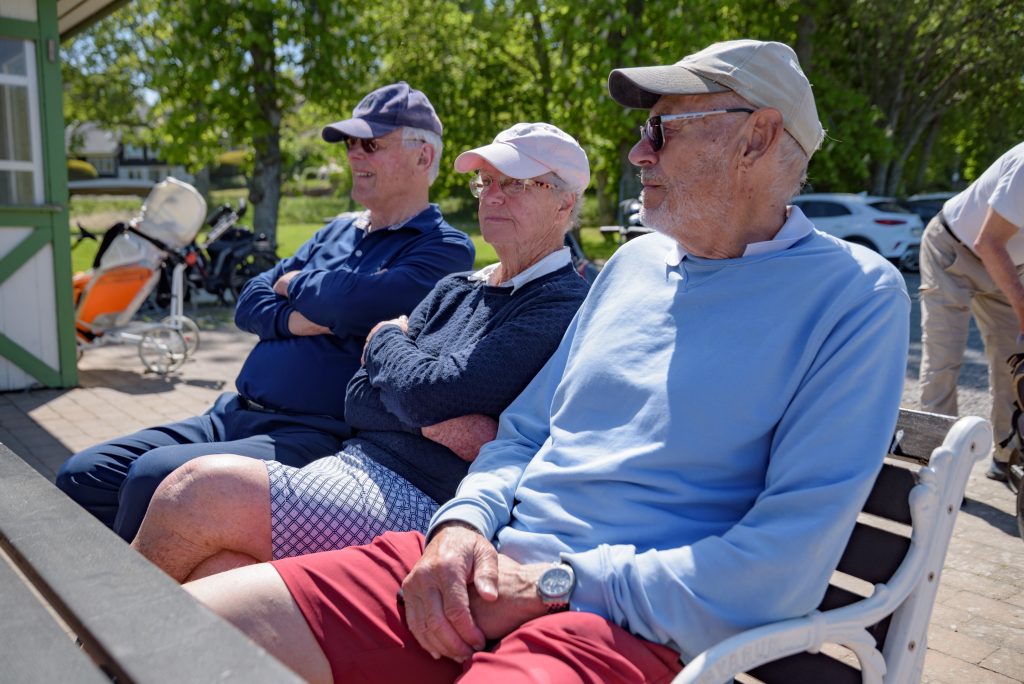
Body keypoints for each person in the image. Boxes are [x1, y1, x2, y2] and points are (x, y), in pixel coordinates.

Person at [185, 40, 910, 684]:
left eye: (662, 129)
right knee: (187, 633)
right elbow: (526, 434)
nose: (639, 153)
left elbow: (782, 566)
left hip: (618, 623)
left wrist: (553, 585)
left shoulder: (855, 295)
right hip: (478, 567)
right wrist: (462, 525)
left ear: (758, 137)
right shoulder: (632, 267)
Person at [131, 123, 591, 582]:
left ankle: (107, 626)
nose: (491, 196)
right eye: (486, 182)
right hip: (351, 466)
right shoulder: (457, 287)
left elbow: (429, 392)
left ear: (564, 202)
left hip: (424, 503)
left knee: (197, 491)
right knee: (218, 569)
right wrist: (434, 418)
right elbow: (355, 397)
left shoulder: (559, 303)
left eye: (514, 184)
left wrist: (385, 339)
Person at [56, 82, 476, 541]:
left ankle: (136, 584)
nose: (354, 154)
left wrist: (294, 284)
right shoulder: (335, 230)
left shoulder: (445, 248)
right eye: (350, 144)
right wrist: (295, 319)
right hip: (231, 413)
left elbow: (349, 302)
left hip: (313, 434)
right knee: (82, 474)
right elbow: (249, 299)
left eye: (371, 144)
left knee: (152, 477)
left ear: (423, 157)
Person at [918, 142, 1024, 482]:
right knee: (943, 361)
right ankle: (938, 472)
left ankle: (1008, 457)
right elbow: (988, 242)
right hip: (952, 250)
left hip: (1010, 266)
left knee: (1013, 364)